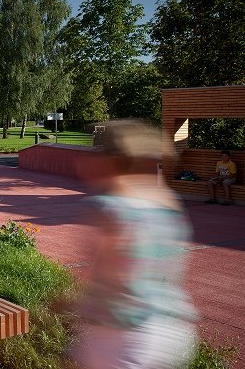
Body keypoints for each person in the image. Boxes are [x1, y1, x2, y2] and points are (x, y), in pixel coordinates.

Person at [71, 120, 198, 369]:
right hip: (172, 330)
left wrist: (71, 303)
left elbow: (105, 271)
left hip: (122, 336)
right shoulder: (167, 201)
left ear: (109, 161)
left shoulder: (109, 208)